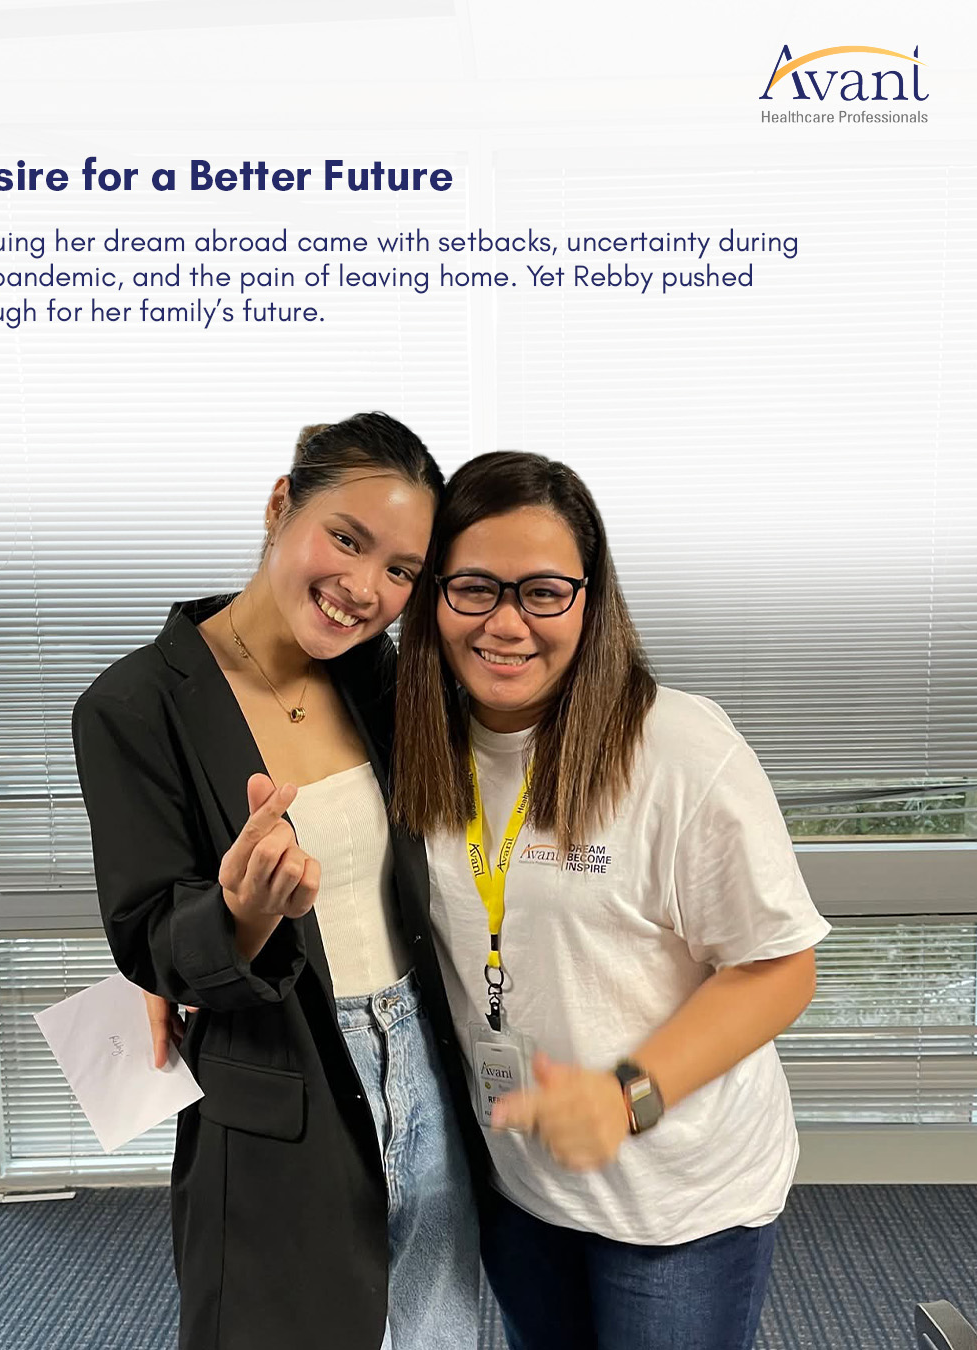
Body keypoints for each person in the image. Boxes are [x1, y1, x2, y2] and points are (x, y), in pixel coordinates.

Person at [390, 451, 831, 1350]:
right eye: (475, 587)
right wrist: (188, 963)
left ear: (590, 600)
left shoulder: (679, 751)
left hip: (679, 1200)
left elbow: (781, 970)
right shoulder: (413, 748)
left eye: (544, 590)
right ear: (434, 595)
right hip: (520, 1182)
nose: (507, 623)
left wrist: (627, 1094)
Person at [71, 413, 485, 1350]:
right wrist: (239, 917)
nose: (363, 590)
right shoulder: (134, 706)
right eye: (346, 539)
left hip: (426, 1057)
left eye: (400, 572)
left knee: (436, 1332)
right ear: (278, 504)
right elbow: (149, 934)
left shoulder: (384, 680)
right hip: (287, 1075)